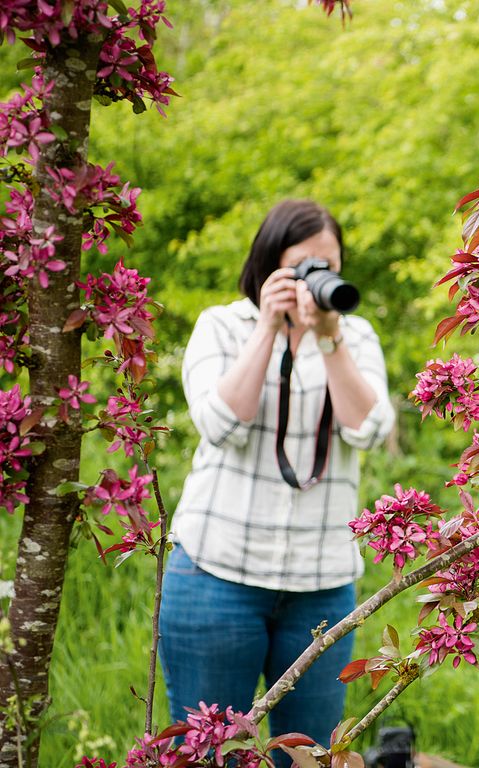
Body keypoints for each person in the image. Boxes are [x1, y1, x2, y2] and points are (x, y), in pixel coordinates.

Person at [160, 200, 396, 755]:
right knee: (208, 753)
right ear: (270, 265)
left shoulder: (354, 335)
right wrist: (268, 328)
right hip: (218, 576)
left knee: (310, 754)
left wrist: (329, 337)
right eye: (305, 265)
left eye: (329, 264)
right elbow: (220, 423)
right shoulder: (222, 325)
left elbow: (369, 428)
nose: (319, 277)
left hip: (320, 585)